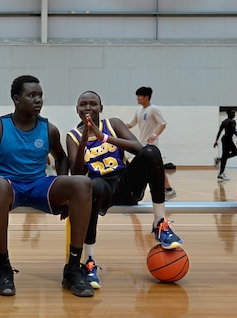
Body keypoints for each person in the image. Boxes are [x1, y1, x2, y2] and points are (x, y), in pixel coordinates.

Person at [0, 75, 94, 298]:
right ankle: (3, 268)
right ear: (16, 99)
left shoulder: (49, 129)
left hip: (39, 185)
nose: (38, 100)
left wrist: (61, 182)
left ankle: (72, 268)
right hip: (9, 186)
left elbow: (61, 158)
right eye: (32, 95)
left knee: (82, 183)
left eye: (40, 96)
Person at [67, 91, 184, 289]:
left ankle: (160, 223)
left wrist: (103, 137)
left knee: (151, 151)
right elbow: (77, 173)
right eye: (83, 104)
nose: (88, 107)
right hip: (101, 189)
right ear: (77, 109)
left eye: (93, 103)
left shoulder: (113, 124)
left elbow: (138, 148)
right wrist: (84, 142)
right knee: (90, 185)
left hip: (125, 184)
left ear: (101, 108)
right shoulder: (73, 136)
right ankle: (89, 262)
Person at [126, 86, 176, 199]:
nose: (137, 98)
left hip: (151, 146)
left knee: (153, 169)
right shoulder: (138, 111)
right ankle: (168, 190)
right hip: (141, 144)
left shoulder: (154, 109)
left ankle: (167, 190)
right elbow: (130, 125)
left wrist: (154, 135)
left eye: (139, 96)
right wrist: (113, 128)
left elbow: (162, 124)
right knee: (151, 169)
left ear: (146, 97)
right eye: (137, 96)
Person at [214, 110, 237, 181]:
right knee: (236, 152)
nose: (234, 114)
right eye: (232, 113)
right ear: (228, 114)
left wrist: (216, 140)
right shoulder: (232, 121)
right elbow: (234, 131)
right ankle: (219, 159)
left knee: (225, 157)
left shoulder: (224, 121)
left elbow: (220, 131)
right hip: (228, 139)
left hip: (224, 139)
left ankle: (220, 174)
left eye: (234, 113)